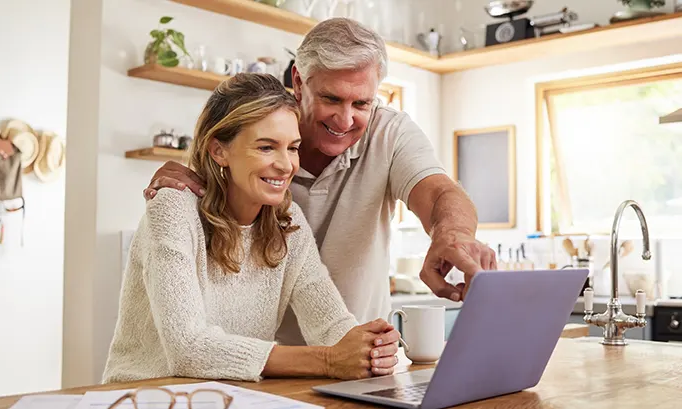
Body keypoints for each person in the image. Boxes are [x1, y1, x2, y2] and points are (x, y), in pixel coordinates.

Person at [144, 18, 496, 346]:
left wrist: (453, 234)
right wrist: (189, 186)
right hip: (255, 364)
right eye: (331, 98)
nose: (345, 119)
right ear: (298, 81)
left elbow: (438, 194)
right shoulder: (255, 138)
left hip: (346, 352)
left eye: (362, 103)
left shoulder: (390, 134)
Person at [102, 73, 400, 384]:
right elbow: (189, 348)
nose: (286, 165)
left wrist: (369, 347)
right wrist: (328, 360)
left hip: (232, 397)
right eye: (266, 147)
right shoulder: (174, 209)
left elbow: (331, 324)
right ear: (219, 151)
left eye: (293, 148)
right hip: (145, 397)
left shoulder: (288, 222)